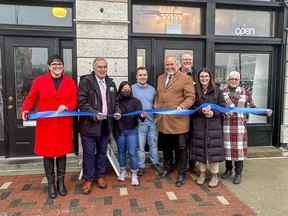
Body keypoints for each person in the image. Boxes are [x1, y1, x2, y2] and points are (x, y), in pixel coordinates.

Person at [21, 54, 77, 199]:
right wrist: (25, 109)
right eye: (54, 64)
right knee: (47, 154)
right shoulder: (40, 81)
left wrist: (68, 106)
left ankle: (61, 182)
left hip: (63, 124)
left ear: (62, 66)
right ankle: (51, 184)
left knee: (62, 153)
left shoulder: (70, 82)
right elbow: (31, 98)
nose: (57, 66)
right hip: (46, 125)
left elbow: (75, 100)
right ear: (48, 66)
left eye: (59, 64)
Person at [221, 71, 273, 184]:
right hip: (226, 125)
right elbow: (219, 109)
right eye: (231, 79)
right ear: (228, 80)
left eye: (236, 79)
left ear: (239, 81)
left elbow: (253, 107)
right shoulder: (222, 93)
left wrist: (264, 112)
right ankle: (228, 169)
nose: (234, 81)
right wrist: (224, 113)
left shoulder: (245, 92)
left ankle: (238, 173)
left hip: (239, 126)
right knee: (227, 149)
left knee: (239, 151)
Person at [78, 57, 121, 195]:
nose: (102, 69)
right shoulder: (85, 83)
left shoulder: (111, 83)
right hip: (89, 125)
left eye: (104, 67)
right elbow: (82, 103)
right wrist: (94, 115)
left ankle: (100, 176)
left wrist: (117, 111)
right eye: (99, 67)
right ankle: (88, 179)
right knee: (89, 153)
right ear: (94, 68)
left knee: (102, 151)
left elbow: (116, 101)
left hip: (105, 125)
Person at [155, 56, 195, 187]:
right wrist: (156, 104)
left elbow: (191, 97)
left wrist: (182, 106)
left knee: (181, 149)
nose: (169, 67)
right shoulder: (160, 78)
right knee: (166, 147)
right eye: (167, 65)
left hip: (178, 121)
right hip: (164, 121)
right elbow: (158, 95)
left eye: (171, 64)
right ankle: (167, 168)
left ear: (176, 64)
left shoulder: (186, 78)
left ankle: (182, 174)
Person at [190, 68, 226, 188]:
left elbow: (222, 108)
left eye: (206, 76)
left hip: (213, 125)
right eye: (201, 77)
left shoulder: (217, 91)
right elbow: (191, 108)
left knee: (213, 149)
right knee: (200, 149)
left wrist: (213, 113)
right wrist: (201, 111)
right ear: (198, 78)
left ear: (210, 77)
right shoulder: (195, 91)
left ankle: (215, 176)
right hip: (199, 125)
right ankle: (202, 174)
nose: (204, 79)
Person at [113, 81, 146, 186]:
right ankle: (123, 171)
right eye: (124, 90)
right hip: (120, 130)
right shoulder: (116, 101)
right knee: (121, 152)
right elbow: (114, 111)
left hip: (132, 130)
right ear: (120, 90)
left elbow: (139, 116)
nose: (126, 91)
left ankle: (134, 174)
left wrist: (143, 116)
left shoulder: (136, 102)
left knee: (132, 153)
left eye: (128, 90)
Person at [132, 67, 162, 176]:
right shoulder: (132, 89)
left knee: (153, 144)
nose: (142, 77)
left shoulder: (152, 90)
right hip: (139, 123)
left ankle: (155, 163)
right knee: (140, 146)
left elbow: (155, 105)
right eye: (140, 75)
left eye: (144, 75)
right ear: (136, 77)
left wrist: (157, 117)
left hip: (152, 123)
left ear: (147, 76)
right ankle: (141, 166)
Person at [179, 52, 200, 176]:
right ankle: (179, 163)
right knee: (180, 140)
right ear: (180, 61)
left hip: (194, 112)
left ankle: (192, 164)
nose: (187, 62)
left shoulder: (197, 75)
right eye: (185, 59)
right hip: (180, 111)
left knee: (193, 138)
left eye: (189, 59)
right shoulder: (177, 74)